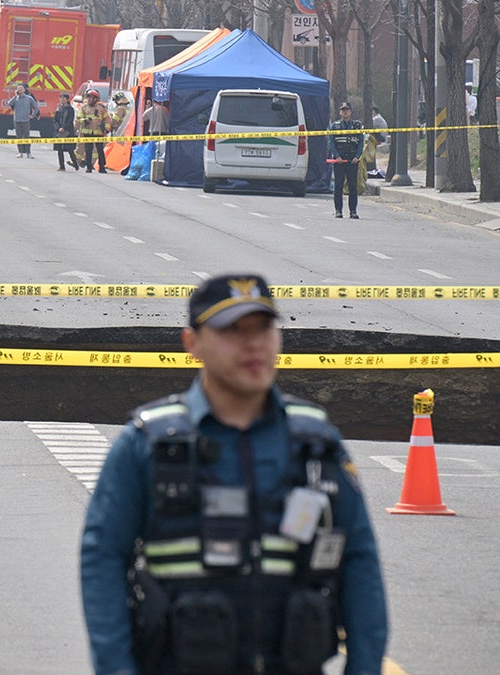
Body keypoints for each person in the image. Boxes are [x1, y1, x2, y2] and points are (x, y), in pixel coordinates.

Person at [80, 273, 388, 675]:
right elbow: (103, 558)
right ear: (192, 344)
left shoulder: (316, 442)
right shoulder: (147, 444)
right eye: (232, 331)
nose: (253, 344)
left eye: (263, 328)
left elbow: (359, 559)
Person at [329, 102, 364, 219]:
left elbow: (361, 143)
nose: (345, 111)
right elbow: (331, 143)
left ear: (351, 111)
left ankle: (353, 211)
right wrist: (337, 156)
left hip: (352, 160)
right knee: (338, 186)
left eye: (347, 109)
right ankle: (338, 210)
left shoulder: (357, 126)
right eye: (343, 109)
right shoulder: (335, 126)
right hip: (339, 160)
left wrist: (357, 157)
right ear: (340, 112)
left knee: (352, 186)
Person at [77, 89, 109, 173]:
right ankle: (88, 167)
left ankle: (102, 167)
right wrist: (85, 120)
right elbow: (79, 118)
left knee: (100, 151)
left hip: (99, 133)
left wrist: (106, 128)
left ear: (95, 98)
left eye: (90, 97)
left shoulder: (101, 108)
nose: (88, 99)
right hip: (87, 133)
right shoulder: (84, 107)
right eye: (88, 97)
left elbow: (107, 119)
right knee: (88, 150)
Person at [7, 83, 40, 157]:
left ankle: (29, 153)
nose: (20, 90)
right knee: (19, 137)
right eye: (18, 89)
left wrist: (33, 115)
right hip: (17, 120)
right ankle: (20, 152)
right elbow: (9, 104)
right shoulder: (16, 98)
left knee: (26, 136)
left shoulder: (29, 98)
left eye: (21, 89)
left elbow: (36, 107)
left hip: (26, 120)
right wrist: (15, 96)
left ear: (24, 90)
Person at [54, 92, 79, 171]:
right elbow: (55, 120)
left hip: (67, 131)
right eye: (60, 98)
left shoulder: (70, 109)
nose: (62, 100)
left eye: (64, 98)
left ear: (67, 99)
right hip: (59, 132)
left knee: (69, 149)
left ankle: (75, 164)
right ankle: (62, 166)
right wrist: (58, 128)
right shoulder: (59, 108)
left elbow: (70, 120)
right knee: (59, 149)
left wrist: (64, 128)